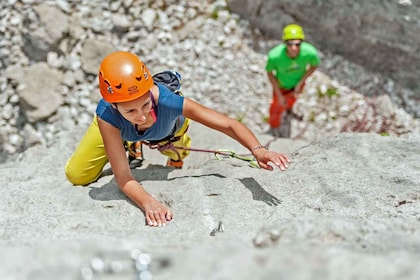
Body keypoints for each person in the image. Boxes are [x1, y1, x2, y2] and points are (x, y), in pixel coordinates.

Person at [65, 51, 290, 227]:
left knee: (175, 156)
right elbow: (123, 177)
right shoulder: (108, 116)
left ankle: (153, 144)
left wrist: (259, 150)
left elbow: (228, 124)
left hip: (167, 130)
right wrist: (149, 203)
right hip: (118, 129)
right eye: (130, 111)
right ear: (113, 106)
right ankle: (130, 141)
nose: (141, 115)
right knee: (77, 174)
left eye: (145, 104)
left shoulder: (167, 101)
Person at [266, 23, 321, 137]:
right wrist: (278, 94)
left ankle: (288, 109)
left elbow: (314, 65)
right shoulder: (275, 56)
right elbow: (270, 73)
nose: (293, 48)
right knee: (276, 107)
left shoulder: (310, 53)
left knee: (292, 99)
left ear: (301, 43)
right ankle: (274, 125)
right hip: (281, 86)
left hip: (297, 84)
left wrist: (301, 82)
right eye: (290, 44)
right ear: (285, 44)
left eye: (297, 44)